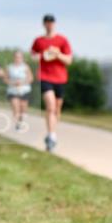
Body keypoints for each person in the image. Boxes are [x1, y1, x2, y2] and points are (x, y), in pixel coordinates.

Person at [30, 14, 72, 151]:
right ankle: (51, 136)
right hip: (45, 76)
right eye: (47, 22)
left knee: (57, 109)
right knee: (50, 106)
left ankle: (52, 132)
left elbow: (69, 60)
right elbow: (33, 56)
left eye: (51, 22)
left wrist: (57, 54)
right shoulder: (39, 41)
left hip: (60, 78)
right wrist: (44, 54)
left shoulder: (62, 40)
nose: (49, 24)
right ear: (44, 24)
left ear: (54, 24)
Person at [2, 50, 33, 131]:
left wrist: (22, 82)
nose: (17, 59)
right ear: (13, 57)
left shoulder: (26, 67)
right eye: (16, 57)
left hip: (24, 90)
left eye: (19, 57)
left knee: (23, 108)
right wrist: (12, 83)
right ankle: (17, 124)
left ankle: (20, 121)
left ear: (22, 58)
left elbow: (30, 78)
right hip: (13, 90)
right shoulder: (9, 67)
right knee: (16, 106)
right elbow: (5, 79)